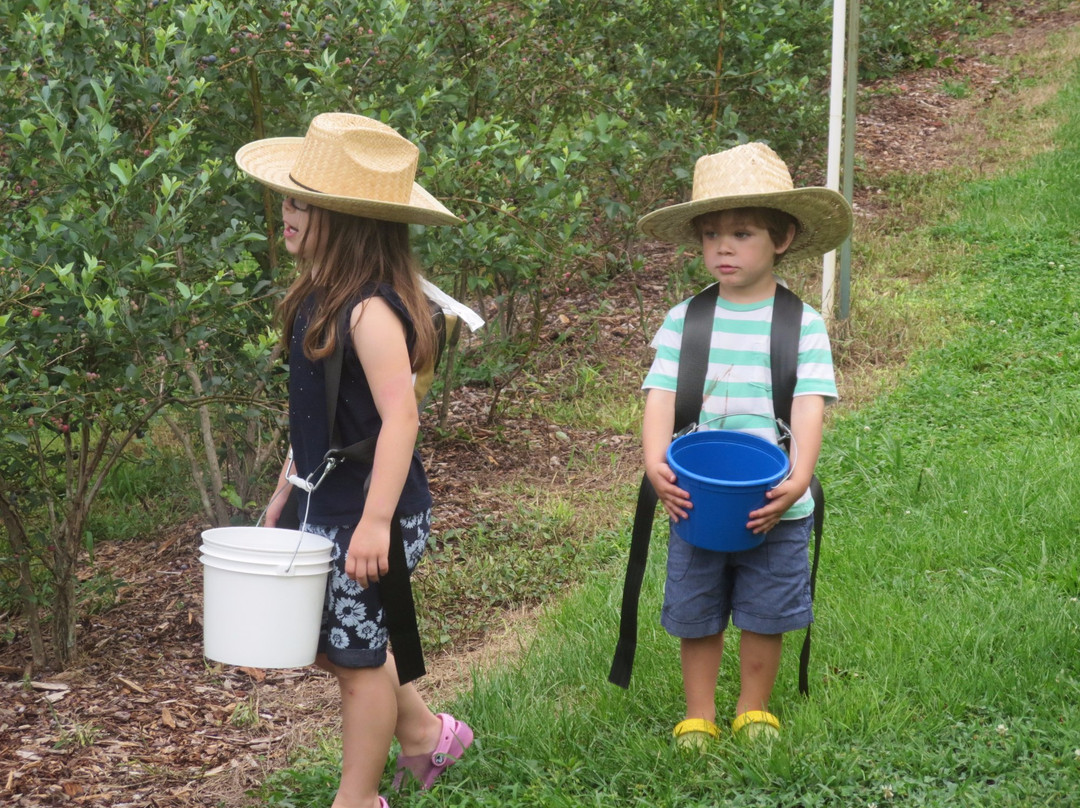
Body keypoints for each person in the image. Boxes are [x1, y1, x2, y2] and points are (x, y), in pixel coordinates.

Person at [235, 113, 473, 808]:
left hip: (373, 512)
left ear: (349, 221)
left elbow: (401, 416)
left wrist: (374, 524)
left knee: (355, 661)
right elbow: (320, 419)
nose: (288, 211)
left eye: (303, 203)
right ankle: (429, 734)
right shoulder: (317, 296)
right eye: (289, 196)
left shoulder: (370, 311)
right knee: (334, 644)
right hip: (326, 500)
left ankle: (357, 798)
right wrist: (287, 488)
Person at [635, 142, 853, 748]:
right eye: (710, 235)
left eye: (741, 233)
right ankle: (698, 712)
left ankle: (753, 708)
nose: (722, 248)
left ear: (781, 237)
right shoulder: (687, 319)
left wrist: (800, 476)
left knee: (767, 611)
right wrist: (655, 461)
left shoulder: (801, 323)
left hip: (774, 501)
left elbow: (809, 403)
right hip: (698, 497)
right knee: (697, 607)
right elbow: (659, 393)